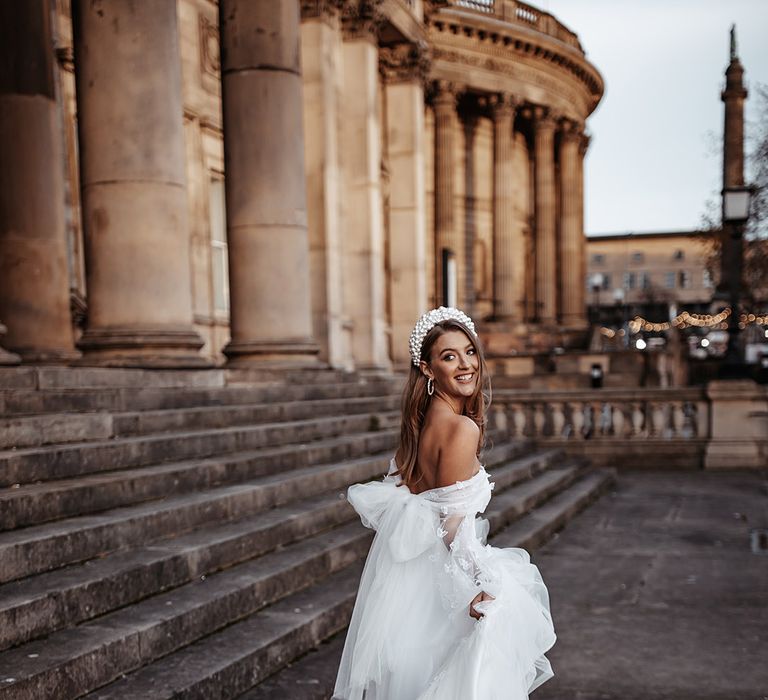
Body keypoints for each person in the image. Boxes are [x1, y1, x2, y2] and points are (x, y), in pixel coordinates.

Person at [333, 307, 557, 700]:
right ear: (427, 369)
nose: (466, 364)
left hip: (418, 587)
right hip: (446, 581)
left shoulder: (421, 427)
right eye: (449, 356)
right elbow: (449, 526)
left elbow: (427, 508)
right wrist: (479, 586)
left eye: (469, 352)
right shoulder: (460, 428)